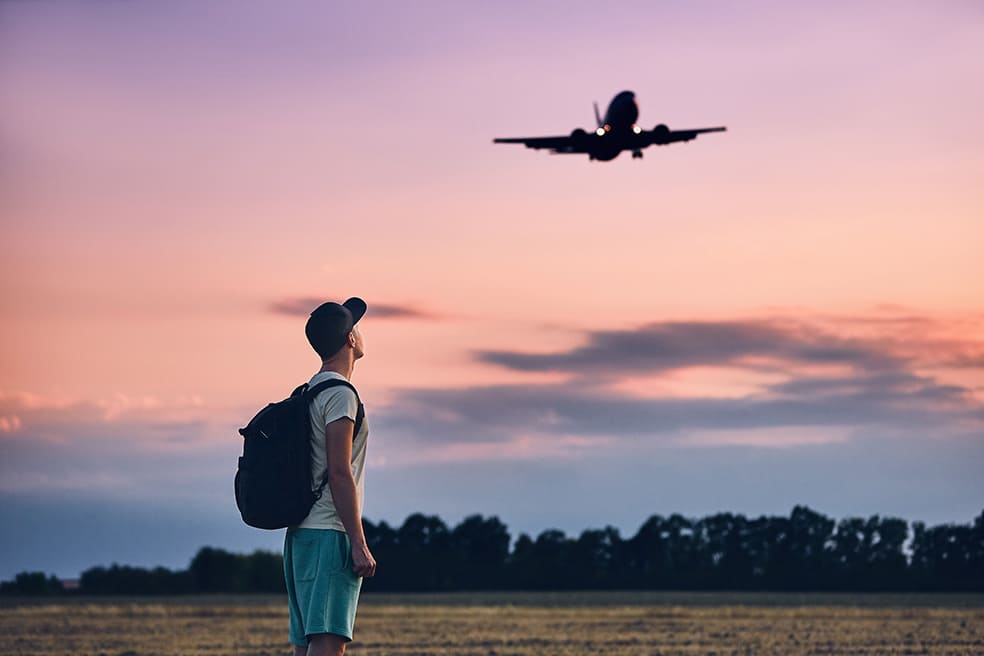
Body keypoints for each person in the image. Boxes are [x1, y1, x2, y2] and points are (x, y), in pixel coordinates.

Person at [283, 297, 376, 656]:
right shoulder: (340, 394)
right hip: (329, 533)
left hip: (301, 536)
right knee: (327, 645)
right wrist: (358, 541)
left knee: (306, 645)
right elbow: (339, 472)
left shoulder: (308, 393)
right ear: (350, 339)